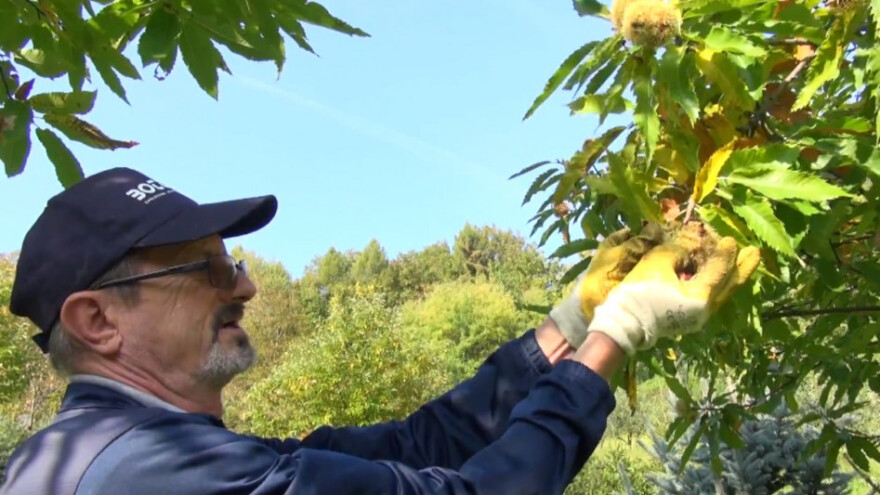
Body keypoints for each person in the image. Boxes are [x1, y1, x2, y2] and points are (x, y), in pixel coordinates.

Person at [0, 167, 759, 495]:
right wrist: (620, 330)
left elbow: (417, 447)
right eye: (209, 268)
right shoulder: (148, 474)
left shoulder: (125, 452)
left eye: (235, 263)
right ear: (98, 320)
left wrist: (570, 323)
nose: (245, 285)